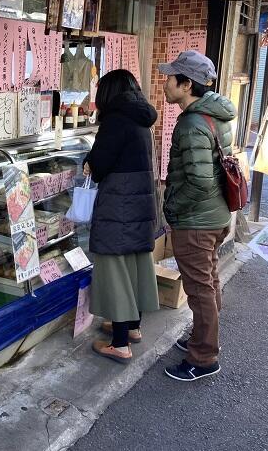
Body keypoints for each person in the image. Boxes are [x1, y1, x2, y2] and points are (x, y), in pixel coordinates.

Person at [159, 50, 236, 382]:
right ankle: (203, 341)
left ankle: (204, 357)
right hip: (216, 215)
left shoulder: (192, 123)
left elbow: (200, 182)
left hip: (196, 221)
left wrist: (172, 205)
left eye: (170, 77)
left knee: (200, 288)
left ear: (186, 84)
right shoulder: (215, 116)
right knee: (210, 280)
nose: (165, 82)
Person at [83, 69, 160, 364]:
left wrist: (89, 162)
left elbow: (100, 165)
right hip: (140, 204)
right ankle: (132, 328)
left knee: (115, 268)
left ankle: (119, 344)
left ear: (108, 93)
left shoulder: (115, 120)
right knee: (136, 264)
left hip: (119, 206)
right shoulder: (141, 119)